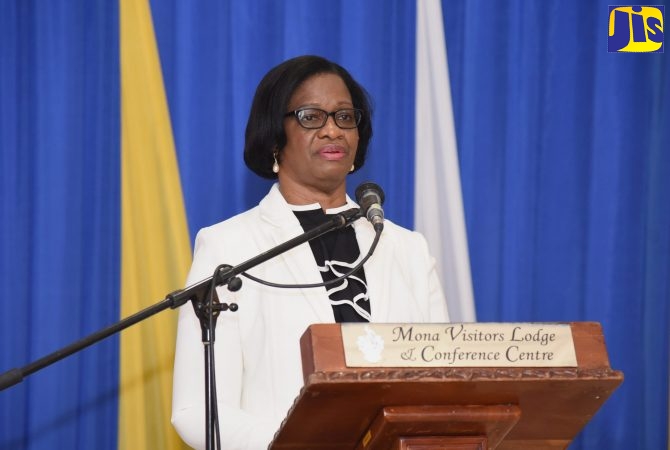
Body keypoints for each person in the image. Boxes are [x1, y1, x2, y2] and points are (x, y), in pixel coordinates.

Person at [171, 55, 450, 450]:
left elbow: (443, 385)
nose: (332, 130)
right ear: (274, 138)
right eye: (311, 117)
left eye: (345, 117)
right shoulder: (229, 248)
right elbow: (198, 409)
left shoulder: (408, 250)